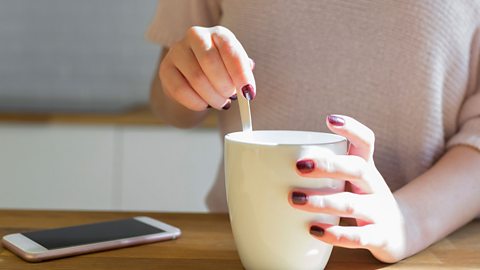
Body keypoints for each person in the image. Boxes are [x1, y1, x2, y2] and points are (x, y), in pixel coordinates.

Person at [146, 0, 480, 263]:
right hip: (236, 244)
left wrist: (407, 220)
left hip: (428, 250)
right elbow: (169, 109)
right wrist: (187, 79)